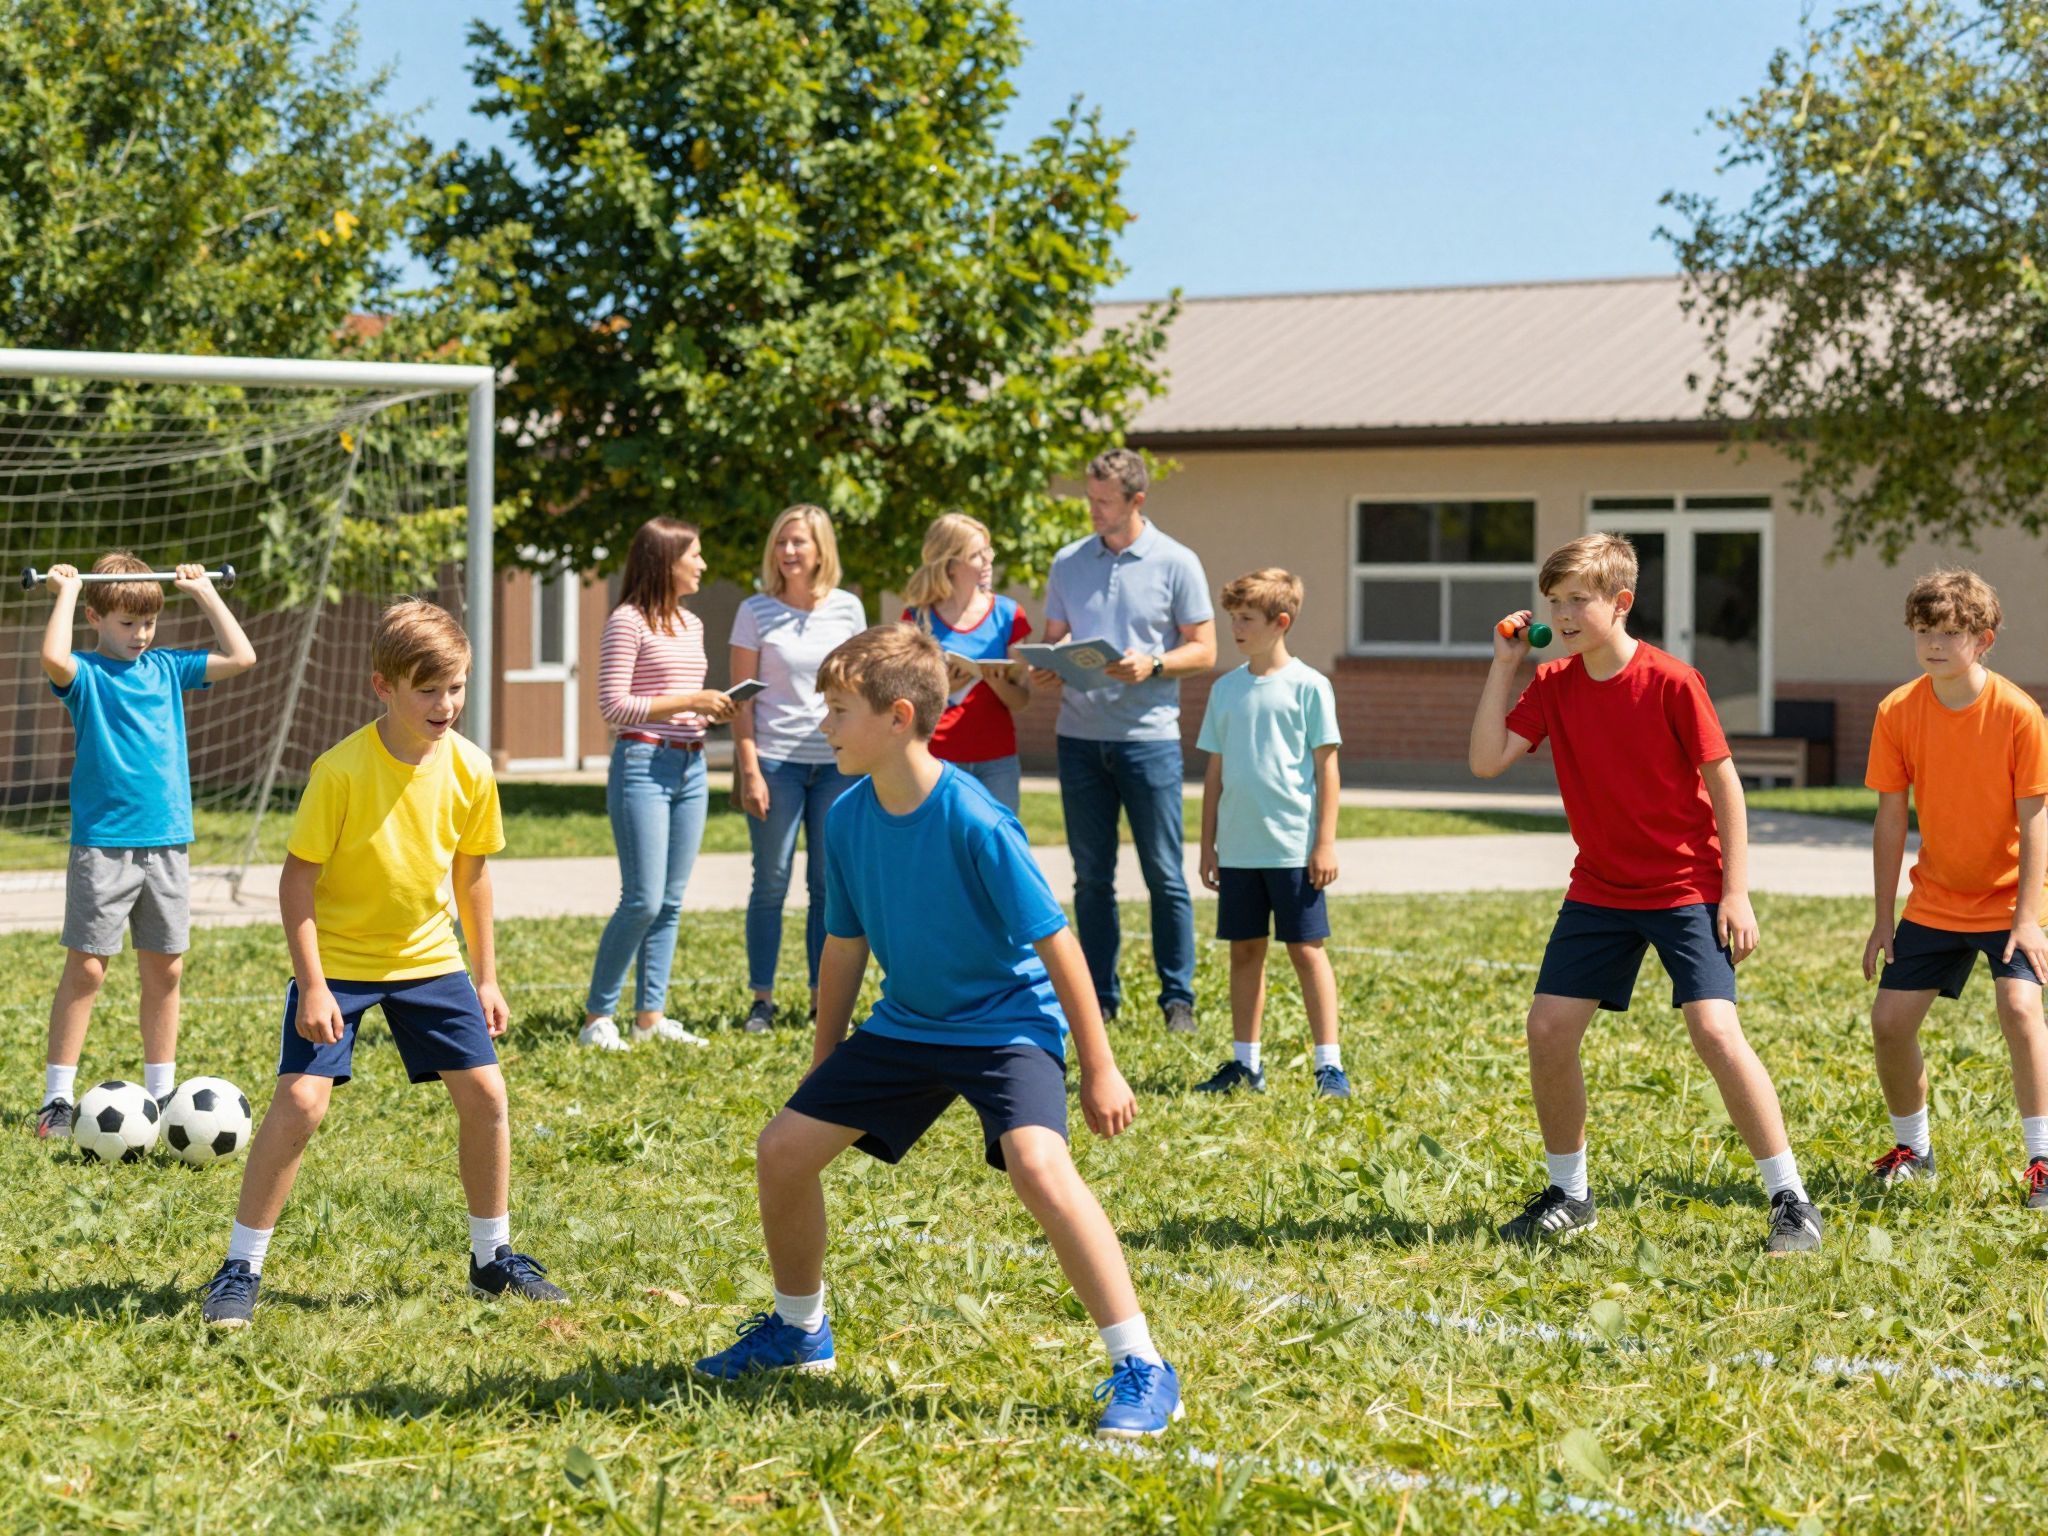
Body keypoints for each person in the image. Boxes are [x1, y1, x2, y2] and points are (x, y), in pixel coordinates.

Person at [693, 624, 1183, 1439]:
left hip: (1005, 1024)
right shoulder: (848, 817)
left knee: (1037, 1164)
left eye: (838, 711)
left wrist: (1100, 1066)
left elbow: (1058, 945)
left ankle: (1141, 1364)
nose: (823, 726)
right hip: (909, 1026)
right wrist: (824, 1063)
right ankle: (799, 1329)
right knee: (782, 1151)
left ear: (897, 718)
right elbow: (844, 947)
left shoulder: (976, 820)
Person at [199, 599, 564, 1328]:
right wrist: (312, 985)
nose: (445, 704)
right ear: (383, 687)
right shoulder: (339, 772)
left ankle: (491, 1258)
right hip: (338, 963)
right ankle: (240, 1266)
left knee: (487, 1094)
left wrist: (487, 976)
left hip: (429, 958)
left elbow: (472, 876)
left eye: (455, 687)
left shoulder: (471, 767)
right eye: (427, 690)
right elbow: (296, 882)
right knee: (303, 1101)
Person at [1469, 533, 1823, 1255]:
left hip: (1686, 885)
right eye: (1554, 602)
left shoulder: (1672, 681)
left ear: (1621, 602)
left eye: (1579, 600)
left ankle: (1791, 1199)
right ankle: (1570, 1195)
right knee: (1547, 1030)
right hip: (1600, 889)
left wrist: (1736, 892)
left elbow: (1726, 786)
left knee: (1715, 1031)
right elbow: (1485, 761)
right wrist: (1504, 667)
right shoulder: (1554, 683)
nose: (1563, 616)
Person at [34, 553, 257, 1139]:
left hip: (168, 842)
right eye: (127, 623)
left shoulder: (166, 667)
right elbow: (53, 657)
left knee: (166, 967)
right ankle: (57, 1100)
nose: (140, 634)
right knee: (88, 968)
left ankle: (162, 1094)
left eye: (149, 623)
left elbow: (242, 657)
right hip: (104, 845)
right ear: (95, 618)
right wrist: (66, 591)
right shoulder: (85, 673)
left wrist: (204, 591)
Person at [1860, 569, 2048, 1203]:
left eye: (1949, 633)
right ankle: (1914, 1150)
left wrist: (2027, 919)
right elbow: (1891, 819)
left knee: (2020, 1008)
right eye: (1923, 632)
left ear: (1983, 639)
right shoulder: (1897, 710)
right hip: (1936, 900)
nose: (1934, 645)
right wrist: (1883, 918)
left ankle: (2043, 1159)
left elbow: (2036, 820)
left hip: (2009, 901)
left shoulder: (2018, 713)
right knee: (1889, 1022)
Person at [1034, 448, 1216, 1034]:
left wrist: (1154, 664)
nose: (1093, 510)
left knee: (1164, 873)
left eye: (1104, 501)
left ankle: (1178, 1000)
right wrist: (1048, 665)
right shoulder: (1068, 562)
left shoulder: (1177, 561)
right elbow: (1055, 638)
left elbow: (1205, 649)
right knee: (1091, 877)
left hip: (1148, 740)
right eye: (1089, 499)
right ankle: (1100, 998)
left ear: (1137, 500)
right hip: (1078, 738)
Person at [578, 518, 738, 1052]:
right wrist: (692, 699)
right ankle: (597, 1018)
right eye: (694, 555)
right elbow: (613, 706)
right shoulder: (627, 621)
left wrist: (711, 709)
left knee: (670, 901)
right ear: (665, 561)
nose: (702, 565)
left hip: (691, 764)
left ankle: (650, 1017)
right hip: (643, 763)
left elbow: (676, 699)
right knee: (643, 899)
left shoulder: (691, 624)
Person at [1191, 570, 1348, 1100]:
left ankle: (1329, 1066)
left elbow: (1327, 769)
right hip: (1239, 851)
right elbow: (1214, 773)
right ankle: (1245, 1064)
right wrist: (1208, 844)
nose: (1235, 627)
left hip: (1293, 850)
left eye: (1246, 619)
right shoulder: (1225, 689)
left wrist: (1324, 843)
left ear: (1281, 622)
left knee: (1306, 952)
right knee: (1244, 952)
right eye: (1232, 617)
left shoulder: (1310, 686)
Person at [730, 504, 868, 1034]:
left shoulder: (848, 609)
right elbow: (740, 701)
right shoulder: (755, 611)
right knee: (770, 881)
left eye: (799, 542)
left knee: (828, 885)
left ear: (820, 549)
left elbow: (859, 690)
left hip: (837, 764)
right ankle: (761, 1001)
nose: (788, 551)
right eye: (781, 542)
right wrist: (749, 770)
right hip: (775, 763)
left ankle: (821, 999)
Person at [900, 511, 1032, 811]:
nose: (988, 560)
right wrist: (944, 688)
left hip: (997, 759)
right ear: (949, 565)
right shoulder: (916, 619)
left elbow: (1022, 700)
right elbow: (904, 699)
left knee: (997, 839)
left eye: (988, 550)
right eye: (976, 554)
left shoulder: (1009, 615)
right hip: (935, 758)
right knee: (939, 840)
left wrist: (997, 683)